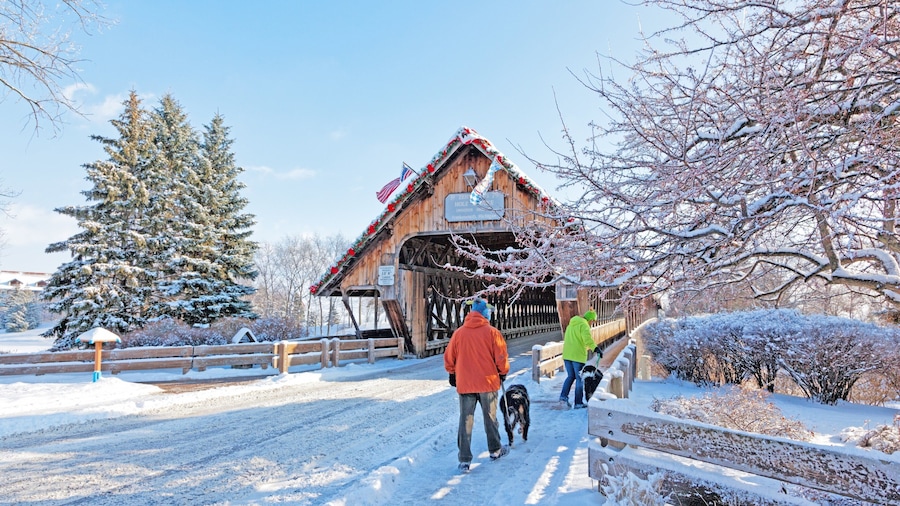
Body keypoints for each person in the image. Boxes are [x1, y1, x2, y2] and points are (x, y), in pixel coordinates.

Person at [444, 297, 510, 473]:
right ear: (484, 313)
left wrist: (452, 372)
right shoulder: (492, 332)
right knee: (490, 418)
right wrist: (503, 372)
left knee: (465, 420)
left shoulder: (459, 333)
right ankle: (495, 450)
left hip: (465, 383)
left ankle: (464, 460)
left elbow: (449, 356)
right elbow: (501, 357)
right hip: (488, 383)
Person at [559, 309, 601, 409]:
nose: (592, 324)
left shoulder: (571, 324)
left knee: (570, 376)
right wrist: (595, 348)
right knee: (579, 379)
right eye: (593, 321)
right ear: (590, 319)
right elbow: (587, 339)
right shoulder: (584, 325)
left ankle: (563, 397)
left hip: (567, 355)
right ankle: (578, 403)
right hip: (577, 356)